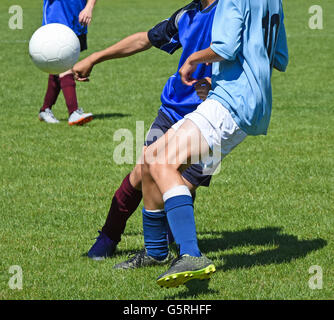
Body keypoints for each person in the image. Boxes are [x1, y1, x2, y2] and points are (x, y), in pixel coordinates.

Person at [138, 0, 289, 288]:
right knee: (151, 157)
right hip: (248, 100)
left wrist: (193, 59)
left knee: (162, 163)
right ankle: (156, 252)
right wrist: (223, 77)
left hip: (231, 102)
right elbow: (277, 57)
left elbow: (226, 48)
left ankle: (191, 255)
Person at [72, 0, 219, 264]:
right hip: (172, 111)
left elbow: (250, 58)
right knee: (142, 173)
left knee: (180, 185)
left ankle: (172, 244)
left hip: (212, 117)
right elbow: (145, 39)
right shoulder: (187, 14)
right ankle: (109, 236)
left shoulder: (232, 12)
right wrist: (95, 58)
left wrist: (214, 82)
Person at [38, 0, 97, 126]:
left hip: (77, 18)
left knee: (59, 66)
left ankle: (45, 110)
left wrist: (89, 6)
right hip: (56, 20)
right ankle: (73, 112)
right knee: (63, 63)